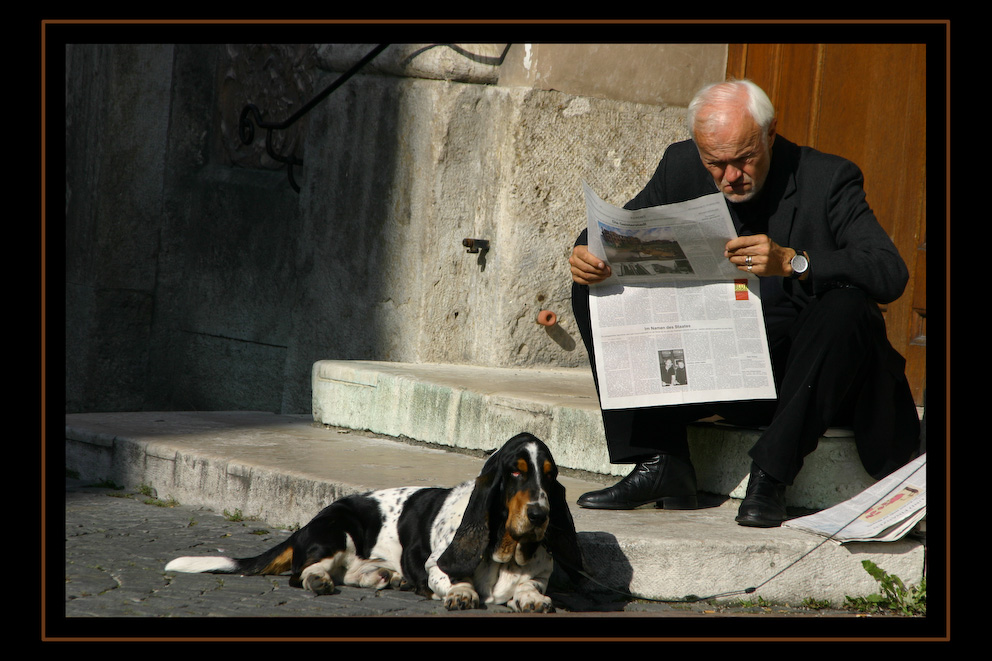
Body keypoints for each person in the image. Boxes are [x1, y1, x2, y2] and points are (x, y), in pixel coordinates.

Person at [569, 79, 920, 527]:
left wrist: (794, 262)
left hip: (805, 379)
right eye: (716, 163)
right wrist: (588, 254)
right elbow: (621, 229)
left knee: (847, 306)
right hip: (721, 368)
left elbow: (889, 271)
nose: (730, 176)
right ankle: (661, 460)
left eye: (744, 159)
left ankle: (771, 475)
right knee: (594, 285)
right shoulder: (683, 166)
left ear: (770, 133)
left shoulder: (827, 178)